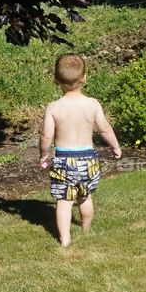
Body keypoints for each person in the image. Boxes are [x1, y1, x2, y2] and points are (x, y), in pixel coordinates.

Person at [39, 53, 122, 247]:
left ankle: (65, 238)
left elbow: (46, 137)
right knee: (85, 197)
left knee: (64, 201)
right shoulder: (92, 104)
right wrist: (115, 146)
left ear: (55, 80)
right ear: (84, 77)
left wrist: (44, 155)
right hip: (88, 160)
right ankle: (85, 229)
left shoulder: (54, 107)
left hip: (64, 161)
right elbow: (105, 129)